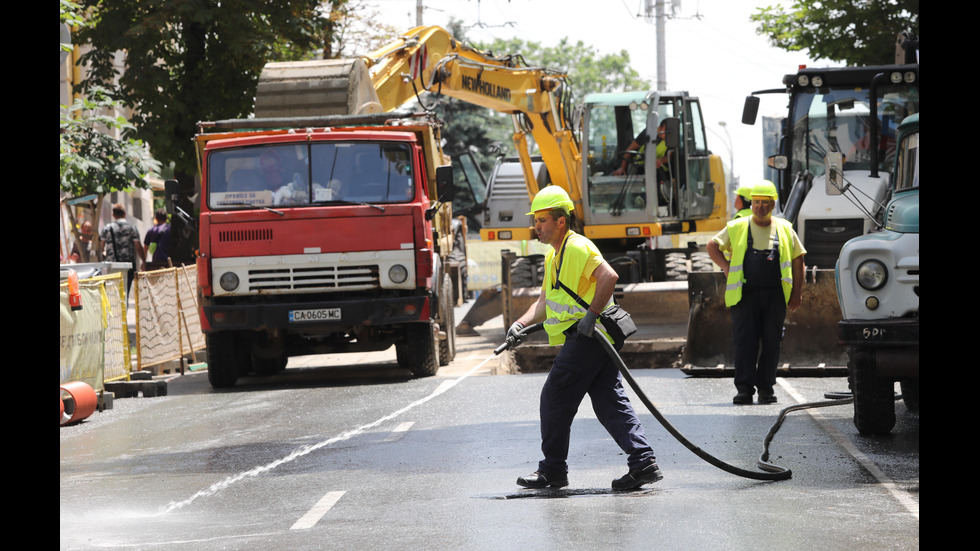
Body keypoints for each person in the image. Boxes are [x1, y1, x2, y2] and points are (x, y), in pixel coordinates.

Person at [508, 185, 662, 490]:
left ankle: (552, 469)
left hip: (590, 337)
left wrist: (590, 317)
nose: (535, 226)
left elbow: (609, 277)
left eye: (541, 220)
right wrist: (521, 324)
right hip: (592, 337)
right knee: (609, 401)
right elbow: (544, 302)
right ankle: (642, 461)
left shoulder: (577, 247)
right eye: (535, 220)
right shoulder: (555, 256)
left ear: (560, 221)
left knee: (554, 397)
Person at [706, 181, 806, 405]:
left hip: (775, 296)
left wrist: (797, 292)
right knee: (744, 342)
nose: (760, 206)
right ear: (752, 204)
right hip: (745, 296)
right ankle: (744, 390)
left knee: (772, 342)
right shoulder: (738, 226)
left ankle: (766, 390)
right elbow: (712, 246)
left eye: (765, 203)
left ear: (773, 204)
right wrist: (725, 266)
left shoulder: (785, 228)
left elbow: (799, 259)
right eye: (757, 202)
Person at [100, 203, 146, 299]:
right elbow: (138, 246)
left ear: (113, 215)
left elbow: (101, 247)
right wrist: (144, 261)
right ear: (125, 214)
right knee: (125, 294)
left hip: (112, 265)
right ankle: (124, 312)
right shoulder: (132, 228)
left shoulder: (107, 228)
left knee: (113, 295)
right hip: (128, 266)